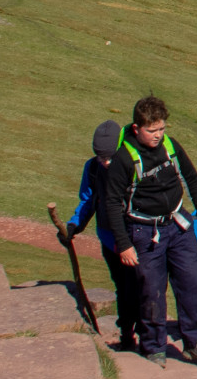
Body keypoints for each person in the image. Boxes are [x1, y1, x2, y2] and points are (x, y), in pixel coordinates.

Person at [99, 96, 197, 367]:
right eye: (152, 130)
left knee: (192, 280)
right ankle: (153, 347)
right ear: (136, 128)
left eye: (161, 128)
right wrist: (124, 244)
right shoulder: (123, 159)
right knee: (151, 290)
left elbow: (192, 178)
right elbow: (112, 203)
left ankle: (195, 341)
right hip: (143, 231)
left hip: (178, 225)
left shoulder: (170, 146)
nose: (158, 135)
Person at [61, 119, 142, 352]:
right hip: (109, 239)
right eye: (100, 157)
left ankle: (148, 336)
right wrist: (74, 225)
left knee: (143, 286)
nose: (105, 162)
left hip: (138, 237)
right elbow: (88, 200)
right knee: (123, 287)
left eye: (109, 157)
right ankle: (127, 335)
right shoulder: (93, 168)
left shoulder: (134, 164)